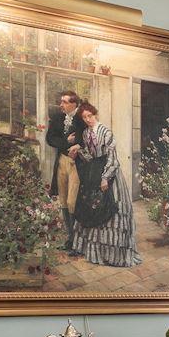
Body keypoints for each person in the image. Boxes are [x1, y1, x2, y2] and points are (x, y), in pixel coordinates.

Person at [66, 103, 140, 267]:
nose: (88, 120)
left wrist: (106, 177)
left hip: (108, 171)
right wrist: (78, 151)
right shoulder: (85, 133)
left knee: (110, 209)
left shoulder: (106, 132)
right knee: (91, 207)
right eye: (84, 118)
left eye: (90, 116)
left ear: (95, 115)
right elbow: (90, 157)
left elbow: (113, 158)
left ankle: (112, 255)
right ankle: (94, 251)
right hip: (94, 170)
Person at [45, 90, 82, 216]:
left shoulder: (83, 118)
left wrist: (76, 144)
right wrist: (66, 141)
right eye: (61, 102)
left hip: (77, 163)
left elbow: (85, 140)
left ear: (74, 104)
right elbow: (50, 139)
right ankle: (68, 231)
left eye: (64, 102)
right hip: (61, 160)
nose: (61, 105)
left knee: (73, 201)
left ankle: (75, 228)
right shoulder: (58, 118)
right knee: (63, 200)